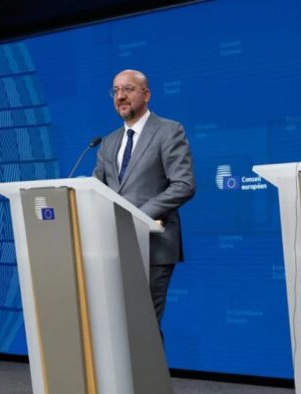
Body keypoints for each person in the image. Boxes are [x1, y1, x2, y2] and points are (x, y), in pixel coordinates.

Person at [93, 69, 195, 328]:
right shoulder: (107, 142)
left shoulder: (168, 131)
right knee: (120, 326)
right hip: (114, 246)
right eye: (115, 91)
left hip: (153, 245)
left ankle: (150, 371)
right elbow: (95, 189)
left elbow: (184, 184)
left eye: (128, 89)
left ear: (146, 94)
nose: (120, 96)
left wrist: (138, 215)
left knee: (144, 327)